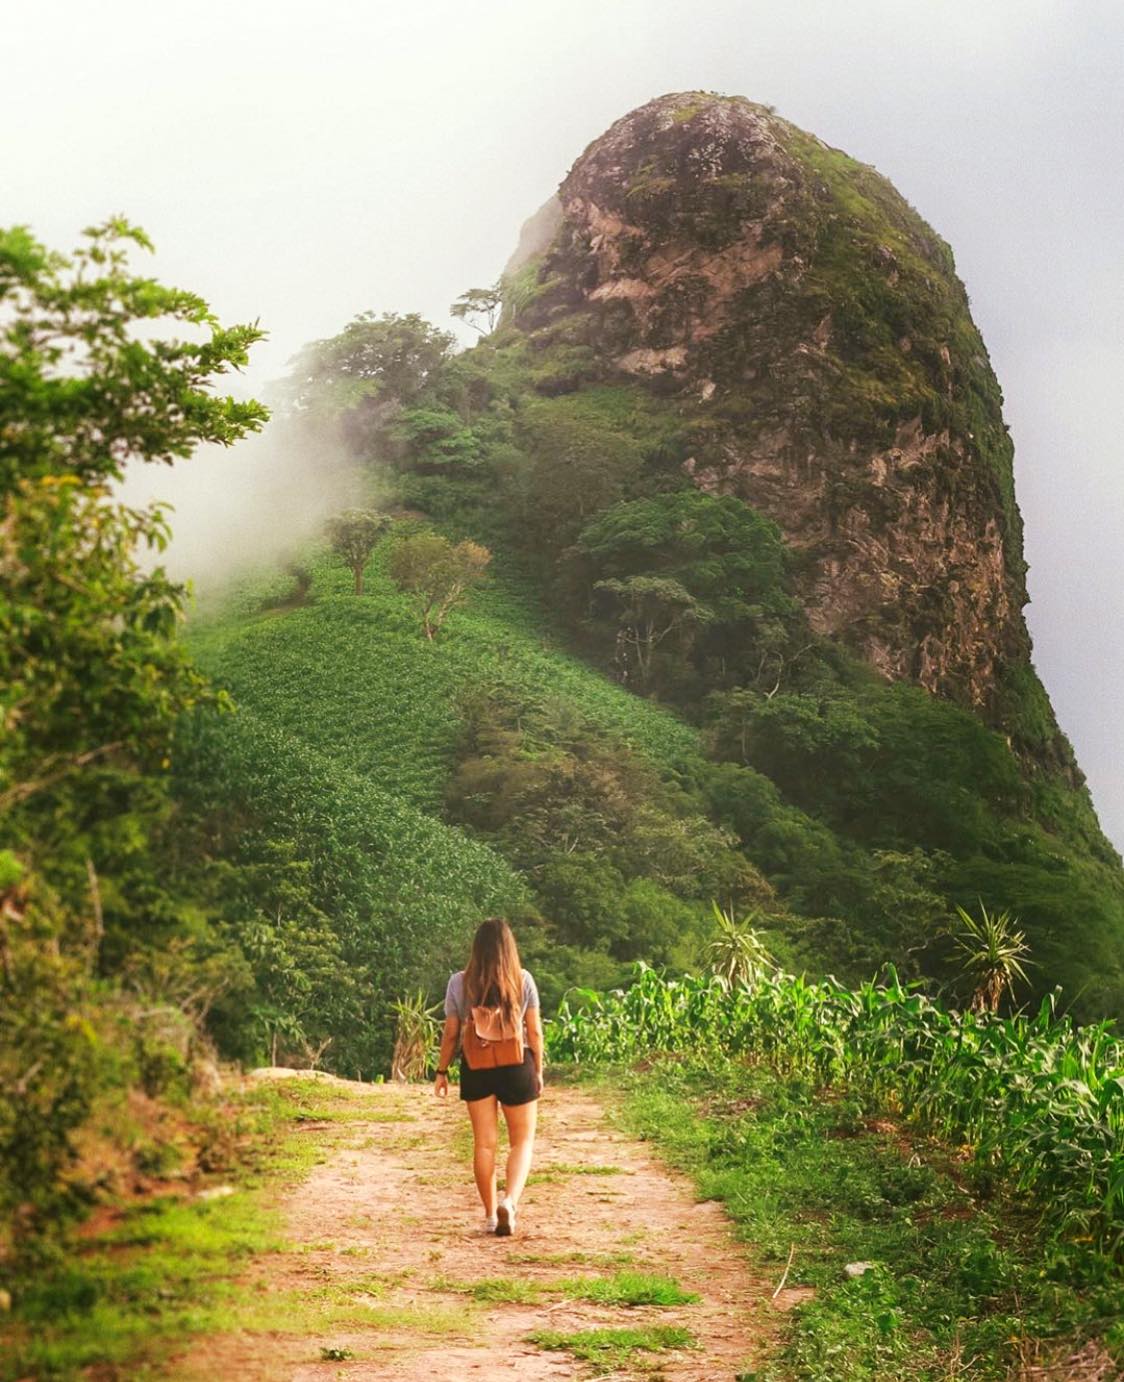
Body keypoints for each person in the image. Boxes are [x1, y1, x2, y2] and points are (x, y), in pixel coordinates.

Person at [434, 917, 544, 1235]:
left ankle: (490, 1215)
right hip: (516, 1065)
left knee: (484, 1144)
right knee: (522, 1141)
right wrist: (538, 1070)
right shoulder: (523, 980)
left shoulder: (459, 983)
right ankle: (510, 1201)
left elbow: (451, 1033)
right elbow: (534, 1032)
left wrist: (442, 1071)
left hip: (476, 1065)